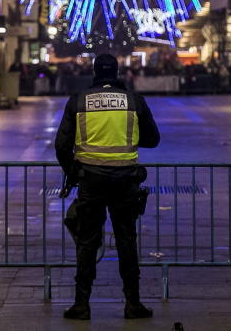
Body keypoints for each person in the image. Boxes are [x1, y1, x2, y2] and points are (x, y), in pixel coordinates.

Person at [54, 53, 160, 320]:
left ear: (94, 72)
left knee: (87, 242)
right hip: (126, 180)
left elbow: (61, 145)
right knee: (126, 241)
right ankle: (132, 303)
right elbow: (152, 139)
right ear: (116, 72)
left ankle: (81, 304)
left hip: (90, 179)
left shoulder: (78, 101)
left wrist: (73, 171)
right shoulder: (134, 101)